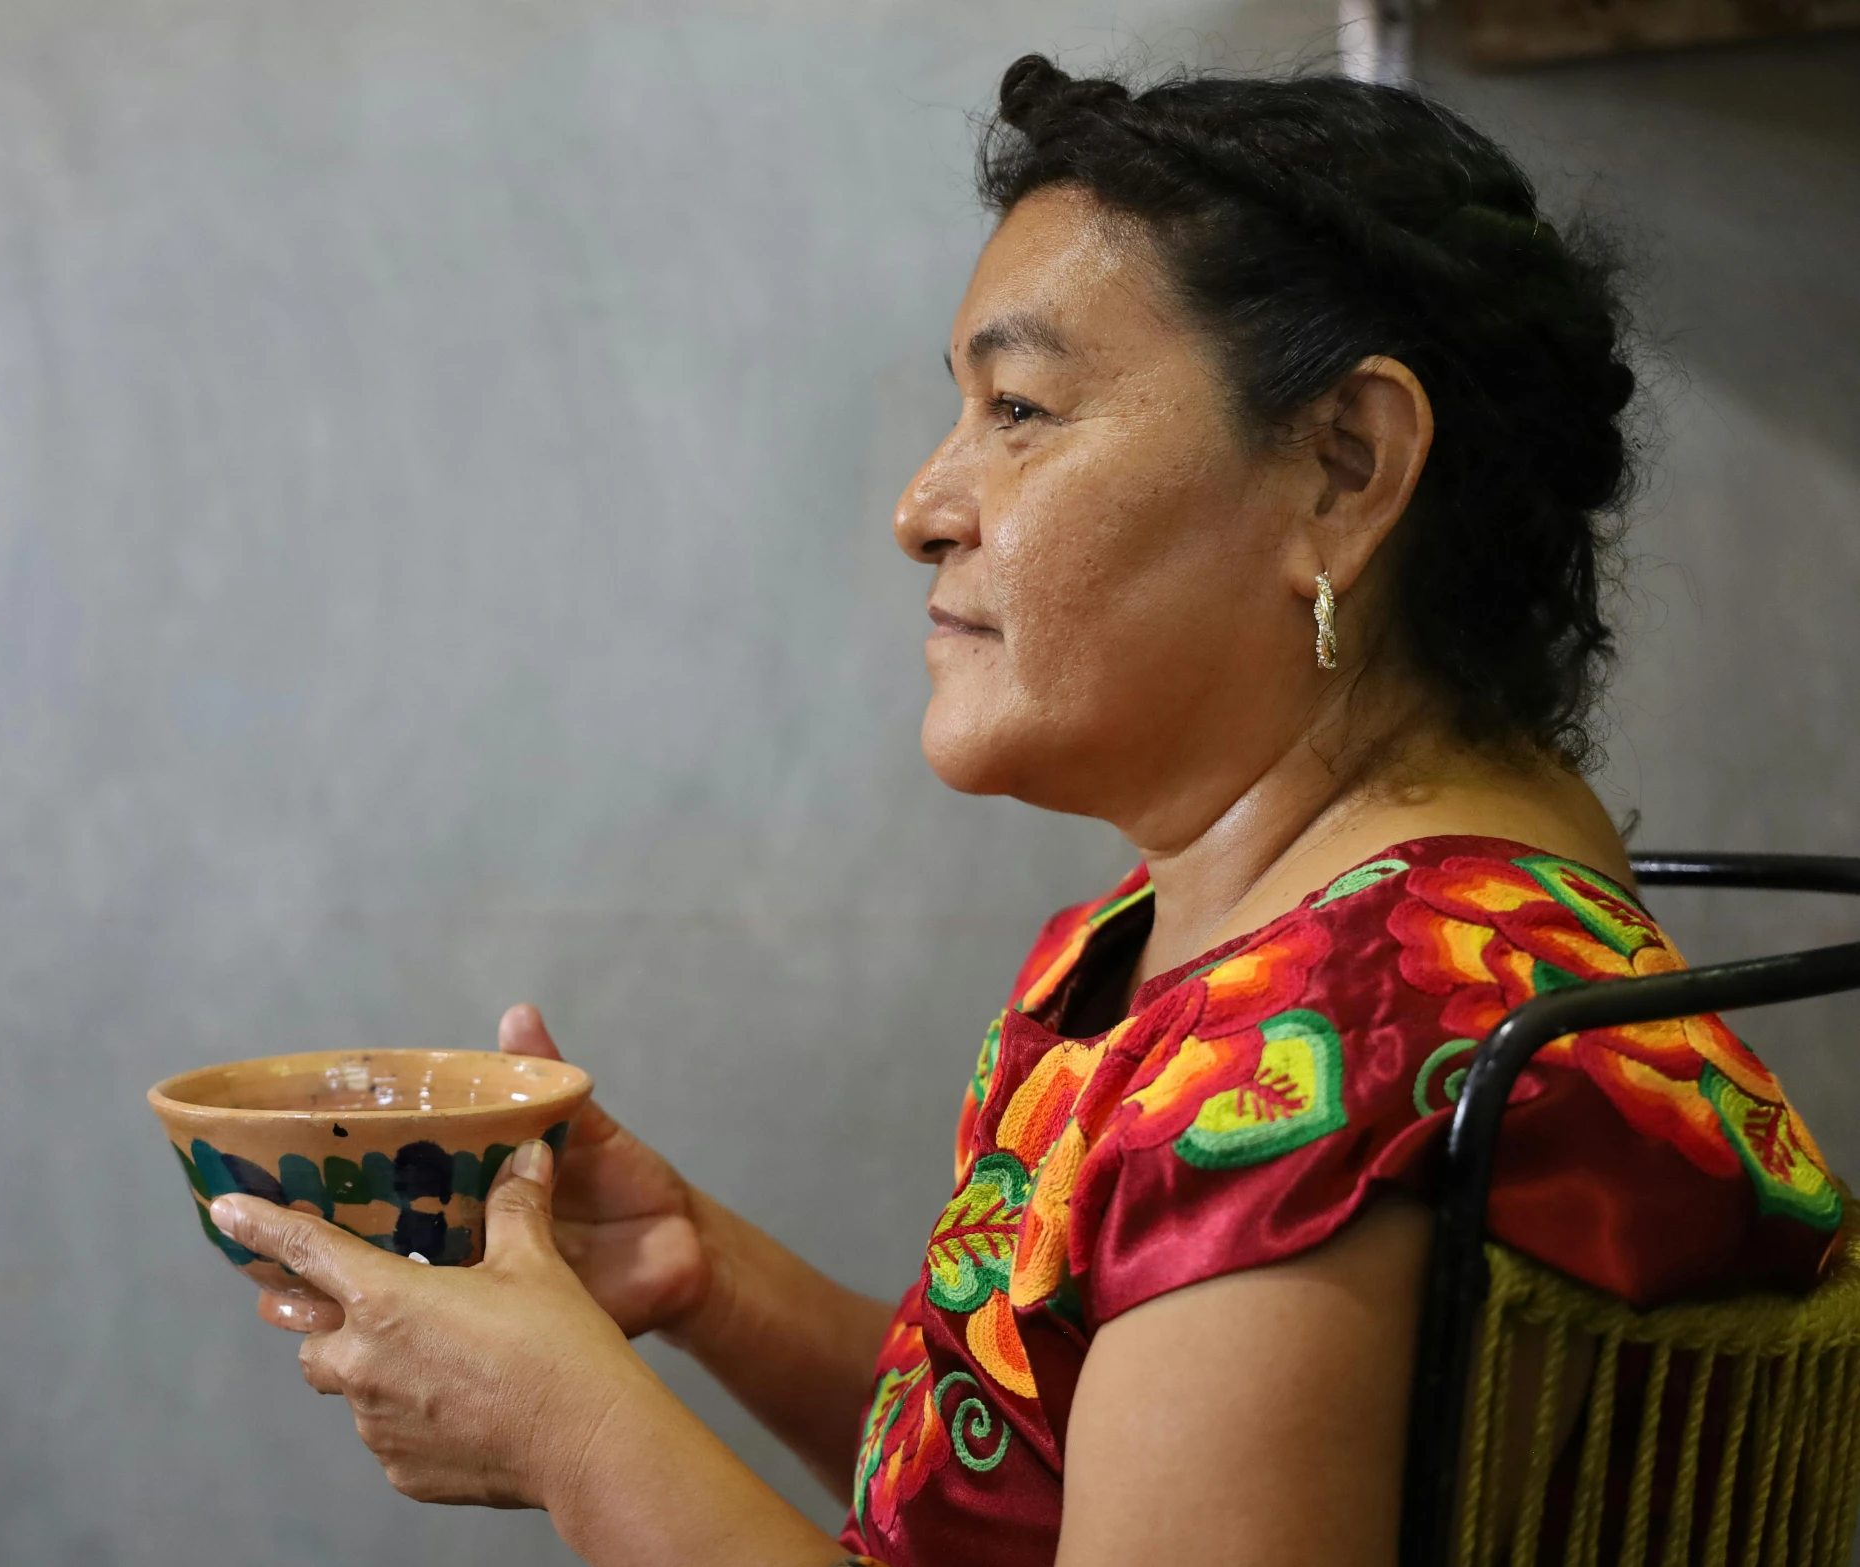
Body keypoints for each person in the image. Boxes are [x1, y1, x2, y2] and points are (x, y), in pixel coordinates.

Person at [204, 56, 1842, 1567]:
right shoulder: (1314, 948)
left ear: (1344, 467)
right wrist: (699, 1275)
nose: (922, 506)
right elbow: (1058, 1472)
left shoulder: (1330, 1058)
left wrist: (567, 1429)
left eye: (1020, 412)